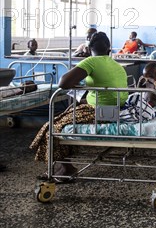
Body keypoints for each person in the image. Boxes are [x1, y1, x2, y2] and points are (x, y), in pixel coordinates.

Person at [30, 31, 128, 180]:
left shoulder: (91, 62)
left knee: (52, 128)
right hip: (117, 110)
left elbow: (63, 83)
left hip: (100, 112)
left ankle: (65, 168)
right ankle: (64, 164)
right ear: (109, 49)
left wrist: (79, 86)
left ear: (89, 49)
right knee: (68, 114)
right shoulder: (117, 65)